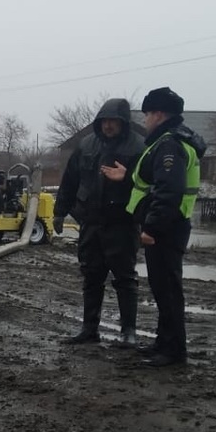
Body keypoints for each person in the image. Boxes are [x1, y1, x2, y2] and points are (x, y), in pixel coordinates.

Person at [107, 87, 206, 367]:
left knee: (168, 290)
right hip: (169, 226)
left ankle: (173, 352)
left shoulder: (168, 145)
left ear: (159, 114)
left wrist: (151, 227)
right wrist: (128, 177)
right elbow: (152, 183)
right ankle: (164, 343)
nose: (145, 119)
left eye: (148, 113)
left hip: (166, 228)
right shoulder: (169, 141)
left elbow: (168, 191)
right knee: (163, 288)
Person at [53, 98, 146, 347]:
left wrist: (148, 224)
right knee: (91, 276)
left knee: (125, 279)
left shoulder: (139, 146)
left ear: (123, 122)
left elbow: (149, 187)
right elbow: (70, 181)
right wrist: (59, 211)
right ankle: (89, 329)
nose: (108, 126)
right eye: (104, 121)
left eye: (113, 121)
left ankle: (128, 332)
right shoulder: (86, 145)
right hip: (91, 223)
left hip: (122, 224)